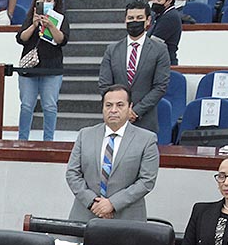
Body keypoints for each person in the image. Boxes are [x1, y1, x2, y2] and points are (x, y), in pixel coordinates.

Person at [65, 85, 159, 221]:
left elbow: (147, 181)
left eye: (120, 105)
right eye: (108, 105)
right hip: (85, 215)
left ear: (130, 107)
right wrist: (93, 203)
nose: (113, 110)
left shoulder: (146, 139)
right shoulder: (85, 135)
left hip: (127, 218)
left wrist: (112, 204)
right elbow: (72, 173)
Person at [98, 0, 170, 135]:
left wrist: (135, 111)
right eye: (130, 18)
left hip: (146, 122)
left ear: (148, 20)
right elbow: (104, 84)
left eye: (139, 18)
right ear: (125, 20)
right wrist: (120, 109)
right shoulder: (112, 50)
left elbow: (160, 86)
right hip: (115, 120)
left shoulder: (159, 49)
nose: (134, 21)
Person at [16, 0, 69, 141]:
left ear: (55, 2)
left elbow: (62, 40)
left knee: (50, 106)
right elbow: (21, 38)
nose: (45, 3)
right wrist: (33, 25)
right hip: (29, 69)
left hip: (52, 68)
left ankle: (48, 141)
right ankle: (22, 140)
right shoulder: (30, 16)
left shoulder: (60, 18)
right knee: (26, 106)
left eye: (49, 0)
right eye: (42, 0)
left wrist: (51, 25)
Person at [148, 0, 181, 66]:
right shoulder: (160, 14)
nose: (155, 2)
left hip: (165, 64)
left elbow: (153, 43)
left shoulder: (170, 17)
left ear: (169, 1)